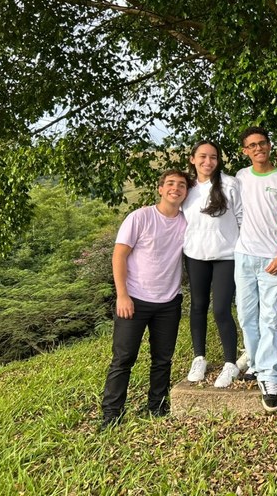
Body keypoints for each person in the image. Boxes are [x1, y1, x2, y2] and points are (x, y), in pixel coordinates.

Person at [100, 169, 190, 429]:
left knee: (162, 359)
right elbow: (119, 256)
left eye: (182, 185)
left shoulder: (187, 222)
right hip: (134, 300)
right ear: (160, 189)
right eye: (170, 184)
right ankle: (111, 415)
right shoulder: (140, 217)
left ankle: (157, 406)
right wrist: (122, 295)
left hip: (169, 302)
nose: (176, 188)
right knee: (123, 359)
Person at [235, 127, 277, 412]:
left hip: (273, 258)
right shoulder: (241, 177)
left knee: (271, 317)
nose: (258, 148)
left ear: (270, 146)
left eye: (262, 143)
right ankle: (258, 364)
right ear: (245, 151)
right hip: (244, 256)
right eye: (252, 145)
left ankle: (270, 377)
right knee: (247, 316)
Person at [184, 141, 243, 388]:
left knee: (220, 309)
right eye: (203, 157)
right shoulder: (187, 187)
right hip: (195, 254)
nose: (208, 162)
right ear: (192, 159)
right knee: (198, 306)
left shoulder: (229, 184)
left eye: (213, 157)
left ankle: (230, 362)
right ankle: (199, 357)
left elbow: (241, 216)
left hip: (226, 255)